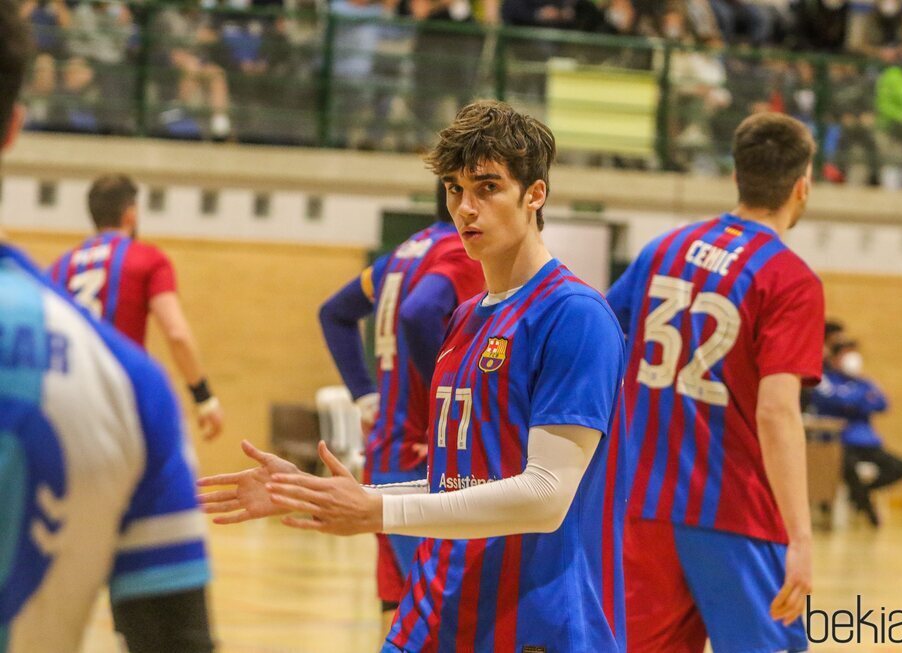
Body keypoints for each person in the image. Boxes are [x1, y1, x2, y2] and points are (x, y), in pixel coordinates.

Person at [199, 100, 631, 652]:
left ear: (535, 194)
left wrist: (379, 509)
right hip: (439, 604)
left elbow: (546, 497)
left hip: (530, 622)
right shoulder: (465, 316)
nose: (466, 208)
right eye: (455, 190)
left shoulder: (575, 315)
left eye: (487, 188)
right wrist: (320, 494)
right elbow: (460, 479)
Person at [0, 2, 214, 651]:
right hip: (98, 404)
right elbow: (175, 330)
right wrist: (205, 395)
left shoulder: (66, 261)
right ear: (14, 127)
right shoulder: (141, 267)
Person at [606, 112, 824, 653]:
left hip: (643, 506)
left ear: (737, 175)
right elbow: (777, 412)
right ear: (803, 187)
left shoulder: (663, 250)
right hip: (734, 513)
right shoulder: (789, 279)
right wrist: (800, 534)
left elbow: (597, 345)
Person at [317, 182, 484, 633]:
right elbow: (419, 312)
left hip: (384, 457)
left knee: (400, 615)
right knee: (446, 624)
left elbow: (334, 313)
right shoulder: (459, 251)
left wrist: (364, 392)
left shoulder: (401, 254)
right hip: (423, 461)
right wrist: (449, 398)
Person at [48, 174, 223, 440]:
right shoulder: (148, 258)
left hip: (63, 408)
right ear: (131, 214)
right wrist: (204, 397)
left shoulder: (59, 267)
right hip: (118, 404)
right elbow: (176, 334)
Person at [810, 339, 902, 526]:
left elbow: (882, 404)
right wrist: (860, 400)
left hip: (869, 443)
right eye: (846, 354)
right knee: (849, 468)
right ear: (835, 358)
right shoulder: (825, 380)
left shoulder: (865, 382)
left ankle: (860, 495)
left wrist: (852, 401)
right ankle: (867, 508)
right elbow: (837, 401)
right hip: (841, 443)